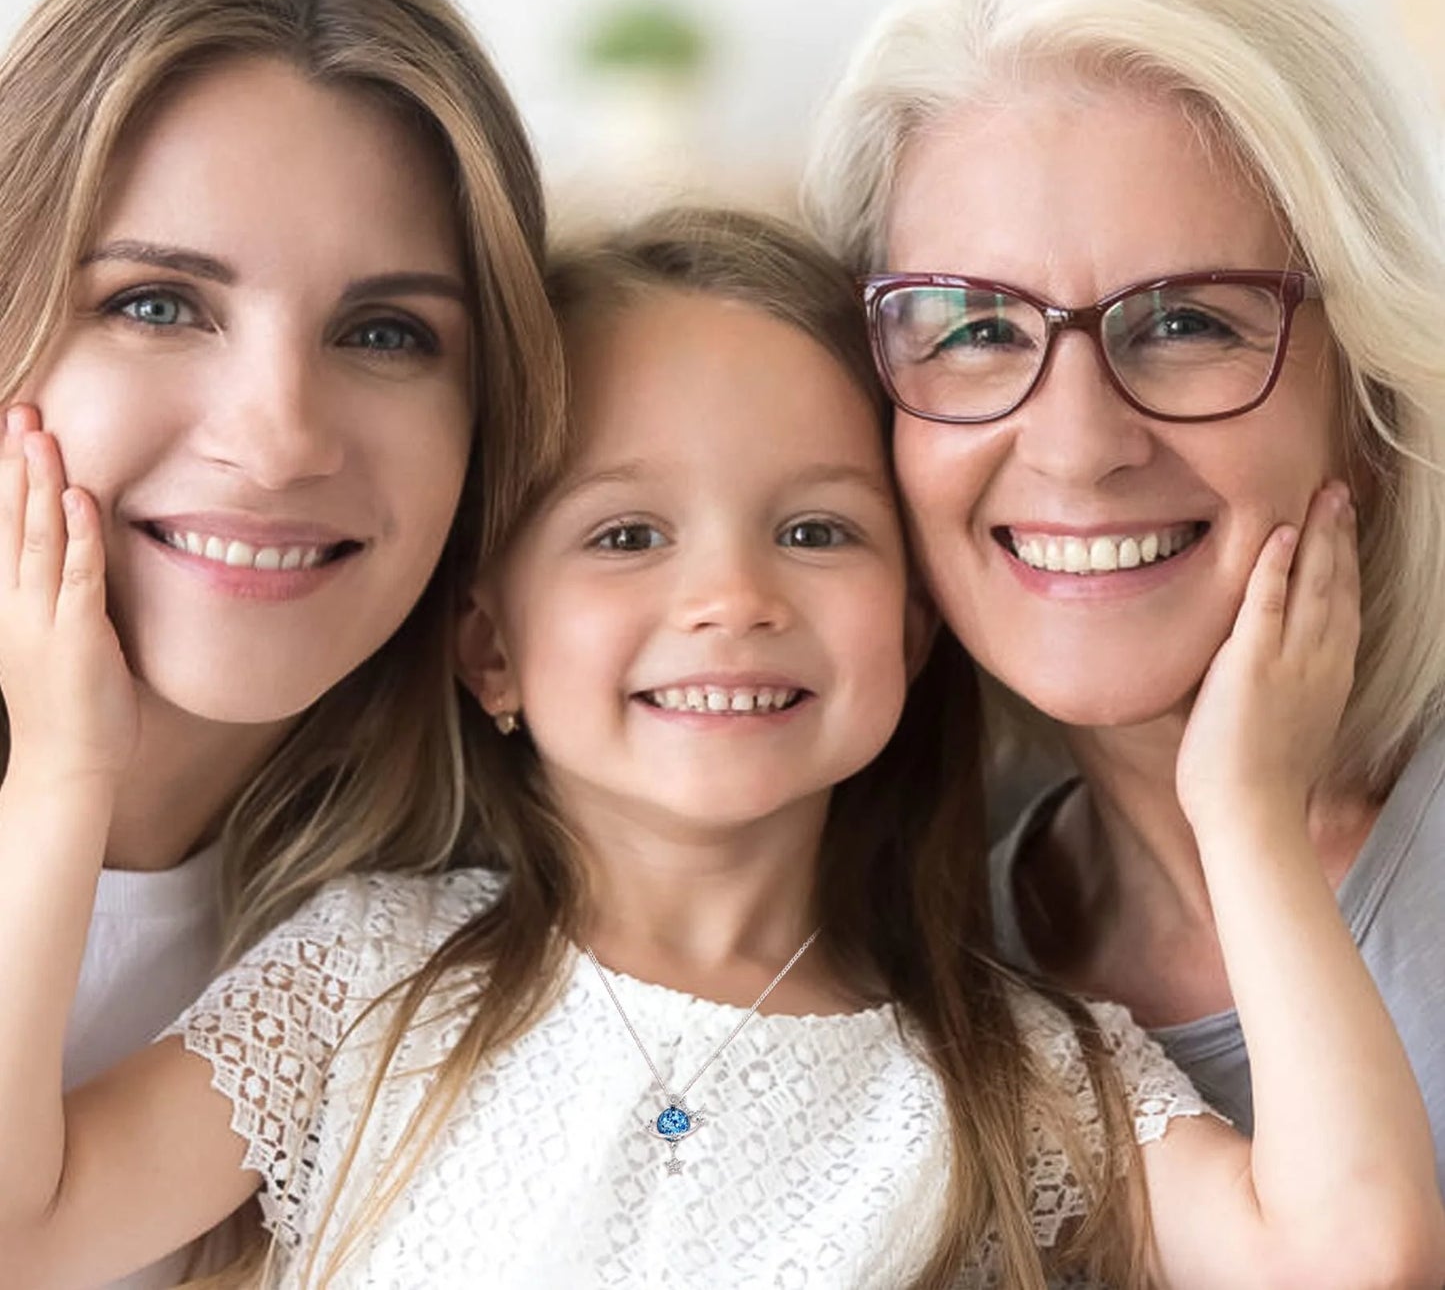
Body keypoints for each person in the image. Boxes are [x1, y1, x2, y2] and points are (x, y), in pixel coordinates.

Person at [1, 207, 1440, 1290]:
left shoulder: (1019, 1072)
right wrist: (64, 773)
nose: (734, 599)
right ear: (489, 644)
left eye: (816, 531)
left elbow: (1353, 1255)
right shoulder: (363, 982)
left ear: (915, 625)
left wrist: (1242, 813)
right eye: (627, 535)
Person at [803, 0, 1445, 1184]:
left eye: (1189, 321)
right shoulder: (899, 989)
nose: (1075, 442)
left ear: (1366, 396)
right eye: (972, 328)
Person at [0, 0, 563, 1289]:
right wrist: (64, 782)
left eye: (385, 333)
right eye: (157, 303)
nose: (278, 437)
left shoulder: (469, 935)